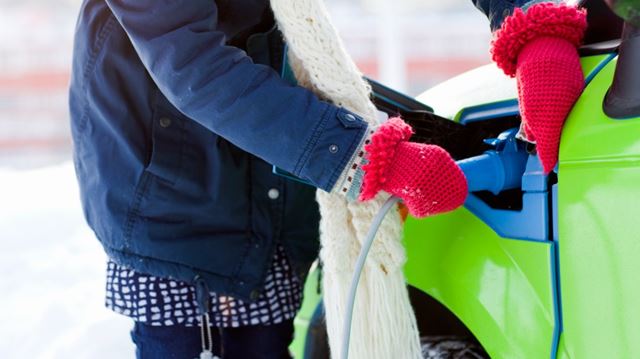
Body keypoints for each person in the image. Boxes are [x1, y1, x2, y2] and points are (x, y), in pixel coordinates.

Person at [68, 0, 586, 357]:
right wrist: (363, 157)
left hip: (273, 186)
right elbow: (191, 63)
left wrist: (527, 18)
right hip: (179, 203)